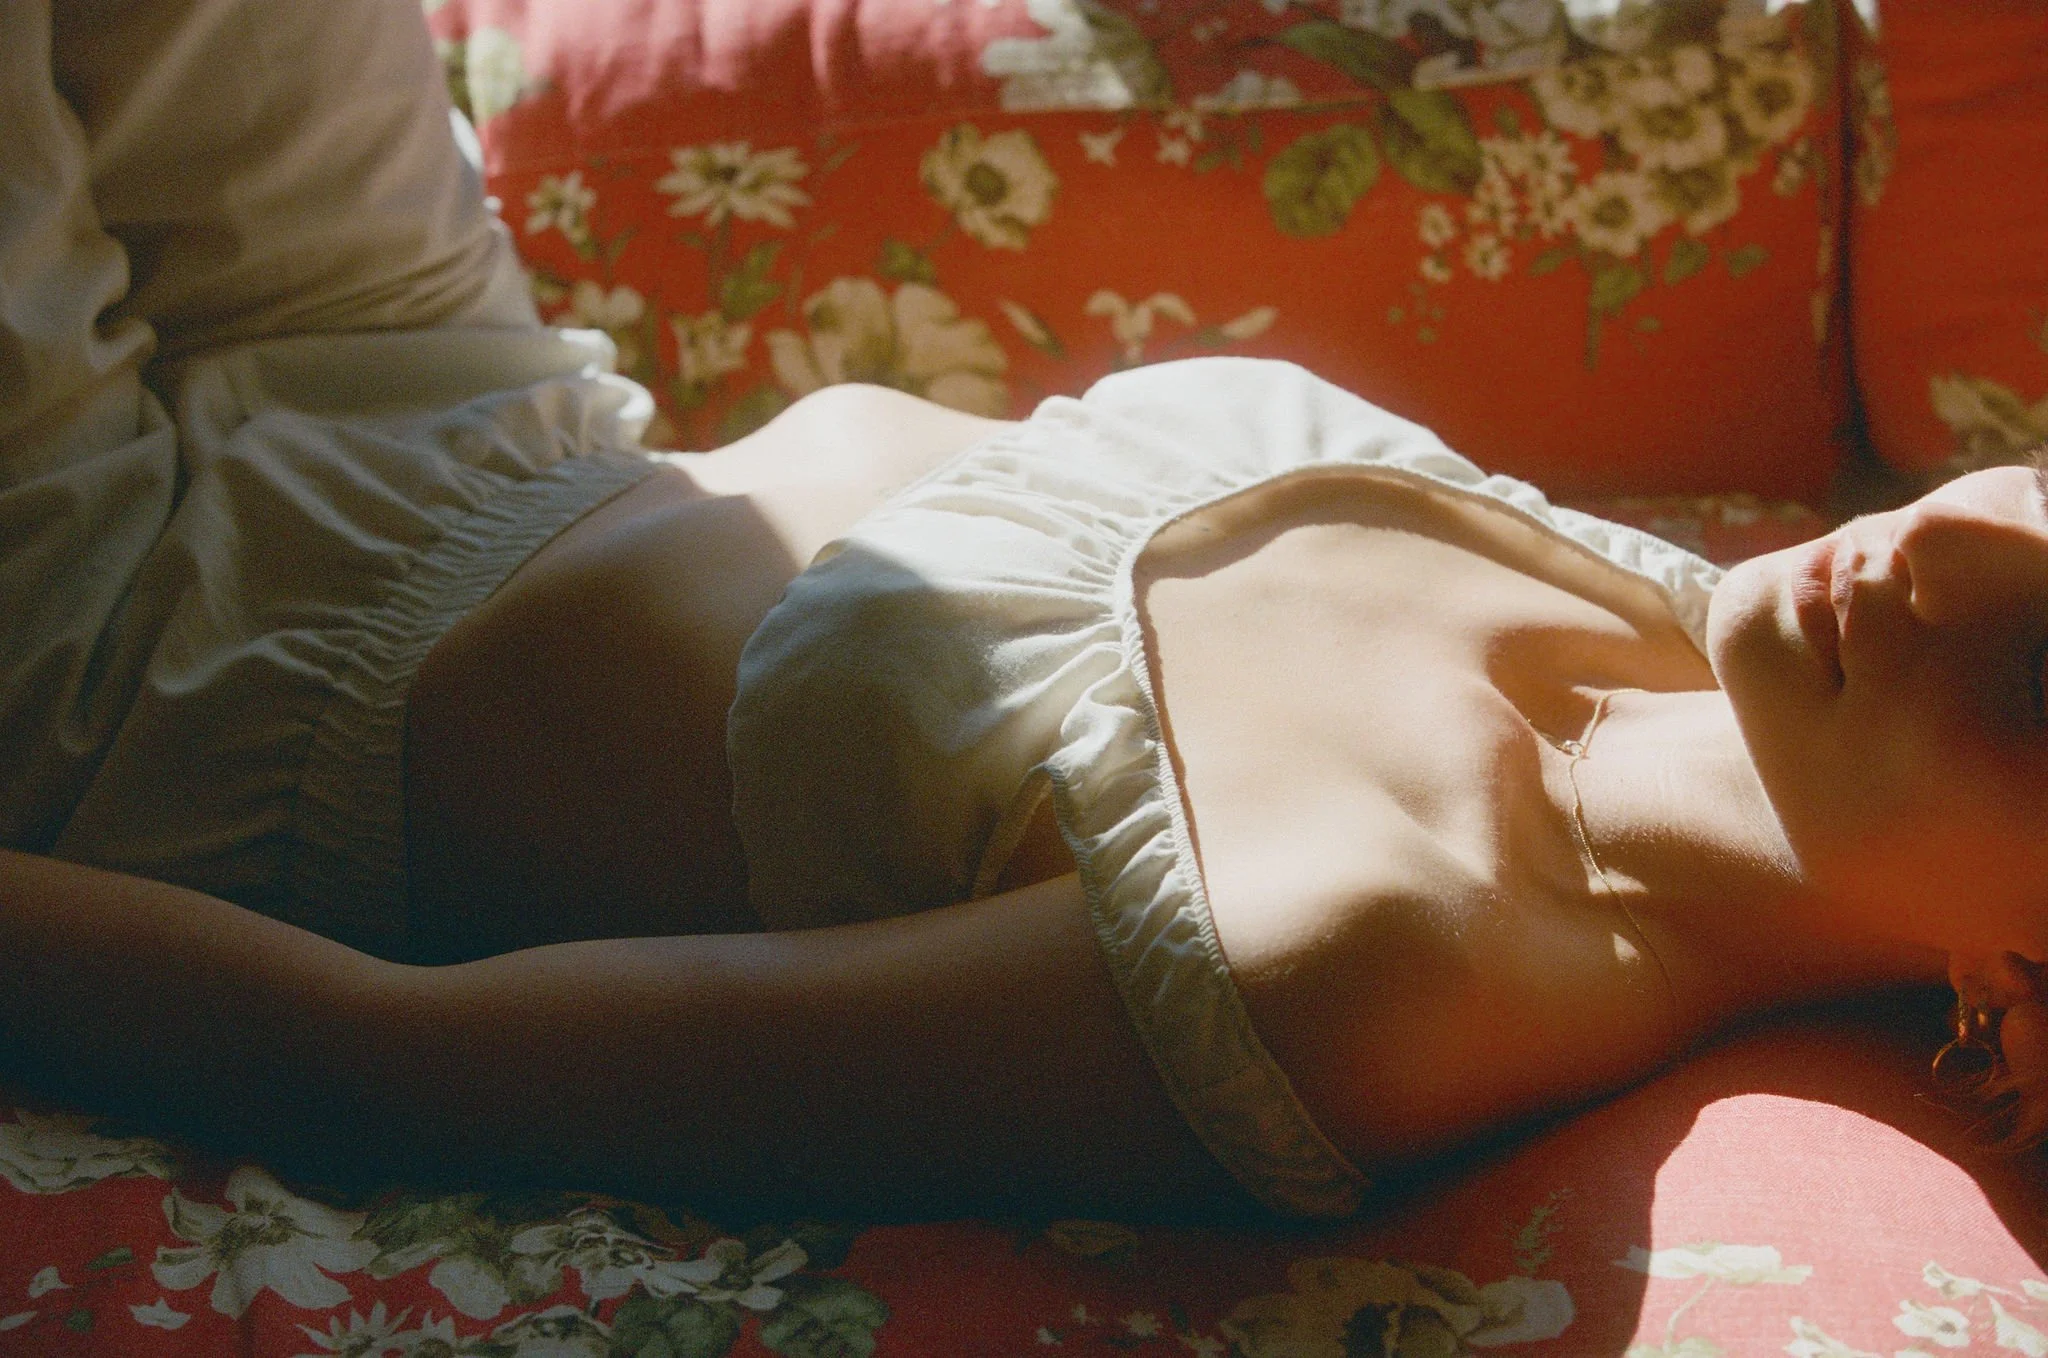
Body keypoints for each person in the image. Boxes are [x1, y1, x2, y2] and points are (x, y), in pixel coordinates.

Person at [1, 0, 2039, 1224]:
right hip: (470, 398)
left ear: (2024, 993)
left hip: (162, 678)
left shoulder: (1376, 963)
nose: (1952, 557)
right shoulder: (1723, 627)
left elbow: (376, 1059)